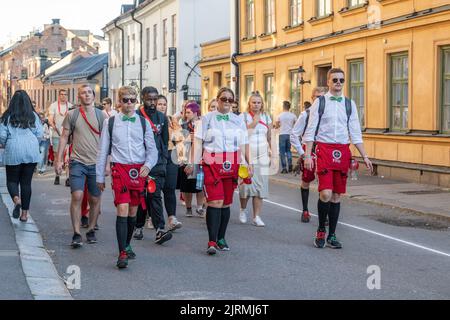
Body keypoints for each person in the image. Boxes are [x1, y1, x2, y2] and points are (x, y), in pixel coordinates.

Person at [303, 68, 373, 249]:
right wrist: (308, 155)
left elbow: (355, 133)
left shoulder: (349, 104)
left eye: (341, 80)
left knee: (336, 196)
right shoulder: (320, 103)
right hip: (324, 149)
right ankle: (320, 229)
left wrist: (365, 156)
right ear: (328, 82)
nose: (338, 83)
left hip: (343, 150)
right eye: (335, 80)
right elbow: (310, 130)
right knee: (325, 193)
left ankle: (332, 235)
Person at [97, 86, 157, 269]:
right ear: (119, 101)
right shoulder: (111, 122)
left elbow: (152, 149)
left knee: (133, 211)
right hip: (119, 170)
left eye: (132, 100)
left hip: (139, 171)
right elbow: (103, 150)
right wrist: (99, 176)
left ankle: (127, 243)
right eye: (125, 100)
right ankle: (122, 252)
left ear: (136, 101)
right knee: (122, 209)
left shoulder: (144, 122)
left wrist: (148, 165)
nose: (129, 103)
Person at [188, 87, 252, 254]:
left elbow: (244, 143)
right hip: (211, 162)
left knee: (226, 202)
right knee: (215, 201)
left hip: (232, 162)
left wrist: (249, 163)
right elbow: (198, 142)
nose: (227, 102)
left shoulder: (238, 120)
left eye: (230, 100)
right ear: (217, 100)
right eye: (224, 99)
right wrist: (194, 163)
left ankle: (222, 238)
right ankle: (211, 240)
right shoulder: (207, 119)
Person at [55, 85, 105, 248]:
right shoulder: (72, 114)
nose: (87, 95)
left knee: (95, 198)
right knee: (77, 195)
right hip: (77, 162)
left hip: (96, 163)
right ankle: (76, 233)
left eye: (90, 92)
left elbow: (108, 141)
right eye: (84, 93)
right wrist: (59, 159)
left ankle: (90, 230)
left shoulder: (101, 115)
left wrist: (108, 163)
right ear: (79, 97)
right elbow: (64, 137)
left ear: (93, 96)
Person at [134, 87, 173, 245]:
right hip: (139, 162)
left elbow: (164, 141)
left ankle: (160, 229)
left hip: (156, 164)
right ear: (143, 98)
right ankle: (138, 226)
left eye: (155, 99)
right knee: (141, 196)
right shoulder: (136, 116)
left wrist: (163, 160)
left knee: (154, 195)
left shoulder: (161, 117)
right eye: (149, 99)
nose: (152, 102)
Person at [0, 91, 43, 222]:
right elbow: (39, 133)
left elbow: (2, 135)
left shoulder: (7, 116)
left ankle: (16, 199)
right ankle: (24, 214)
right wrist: (34, 143)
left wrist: (5, 144)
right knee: (26, 183)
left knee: (12, 181)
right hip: (31, 148)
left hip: (14, 147)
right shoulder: (33, 115)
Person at [290, 88, 327, 223]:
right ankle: (305, 210)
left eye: (322, 97)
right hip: (309, 150)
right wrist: (303, 154)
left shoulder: (328, 114)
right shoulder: (305, 114)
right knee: (306, 180)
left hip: (324, 150)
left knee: (325, 183)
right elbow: (294, 135)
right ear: (312, 98)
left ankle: (325, 214)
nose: (319, 100)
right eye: (316, 97)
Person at [238, 92, 272, 227]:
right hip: (247, 154)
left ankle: (256, 216)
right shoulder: (243, 116)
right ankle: (242, 210)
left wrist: (272, 152)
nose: (256, 105)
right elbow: (240, 134)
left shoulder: (267, 117)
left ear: (262, 104)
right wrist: (253, 123)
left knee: (260, 186)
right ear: (249, 104)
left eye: (258, 102)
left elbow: (269, 136)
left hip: (262, 154)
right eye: (254, 102)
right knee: (246, 185)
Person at [157, 95, 183, 231]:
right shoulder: (149, 120)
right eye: (159, 104)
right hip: (155, 156)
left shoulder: (171, 120)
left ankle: (172, 218)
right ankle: (152, 217)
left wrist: (181, 157)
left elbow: (179, 139)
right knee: (154, 190)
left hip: (170, 154)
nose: (162, 106)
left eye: (164, 104)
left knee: (170, 187)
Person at [179, 101, 206, 218]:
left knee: (200, 185)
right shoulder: (184, 125)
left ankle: (200, 207)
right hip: (186, 157)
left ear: (195, 112)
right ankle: (188, 208)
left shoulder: (203, 125)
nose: (186, 114)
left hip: (201, 158)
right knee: (187, 185)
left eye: (189, 112)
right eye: (185, 112)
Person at [48, 89, 73, 185]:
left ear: (67, 96)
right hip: (57, 135)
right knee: (57, 156)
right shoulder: (53, 106)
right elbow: (50, 119)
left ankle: (67, 178)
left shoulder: (70, 106)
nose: (63, 96)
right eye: (61, 94)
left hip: (68, 136)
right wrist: (55, 128)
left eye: (65, 94)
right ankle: (57, 175)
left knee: (67, 156)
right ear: (59, 96)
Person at [275, 101, 297, 174]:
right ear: (289, 107)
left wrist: (278, 126)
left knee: (282, 152)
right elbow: (296, 125)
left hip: (282, 134)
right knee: (288, 150)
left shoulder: (279, 116)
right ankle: (290, 164)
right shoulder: (293, 115)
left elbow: (277, 126)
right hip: (290, 134)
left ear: (283, 107)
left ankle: (284, 168)